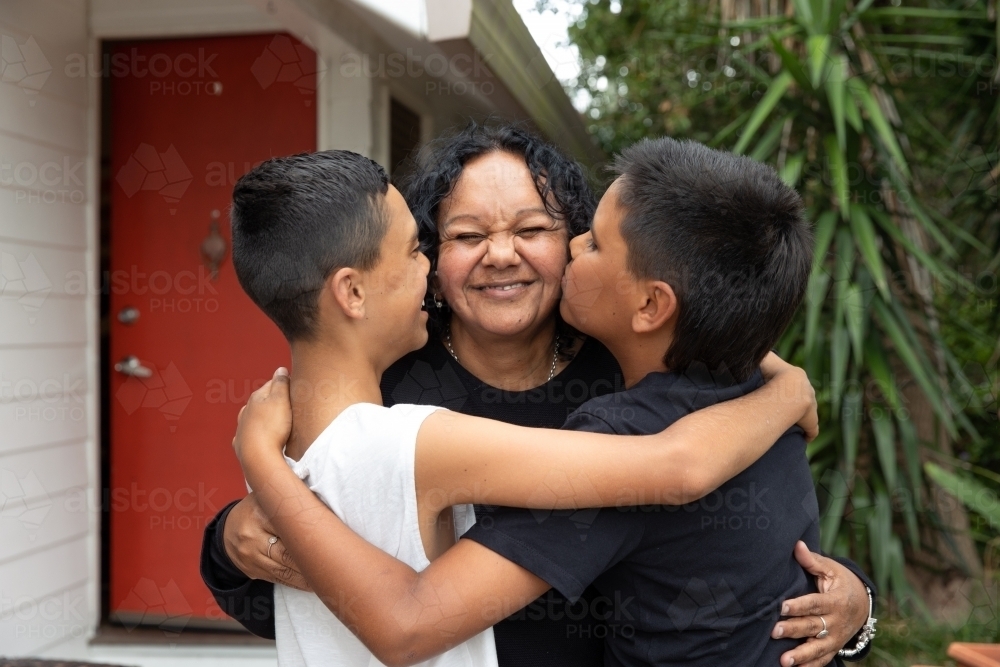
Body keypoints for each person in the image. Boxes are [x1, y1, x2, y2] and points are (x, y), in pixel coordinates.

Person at [201, 123, 875, 666]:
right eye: (465, 236)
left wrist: (857, 606)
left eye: (535, 230)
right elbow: (316, 602)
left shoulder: (631, 380)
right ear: (434, 261)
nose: (500, 254)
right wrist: (231, 544)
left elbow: (749, 534)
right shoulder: (387, 391)